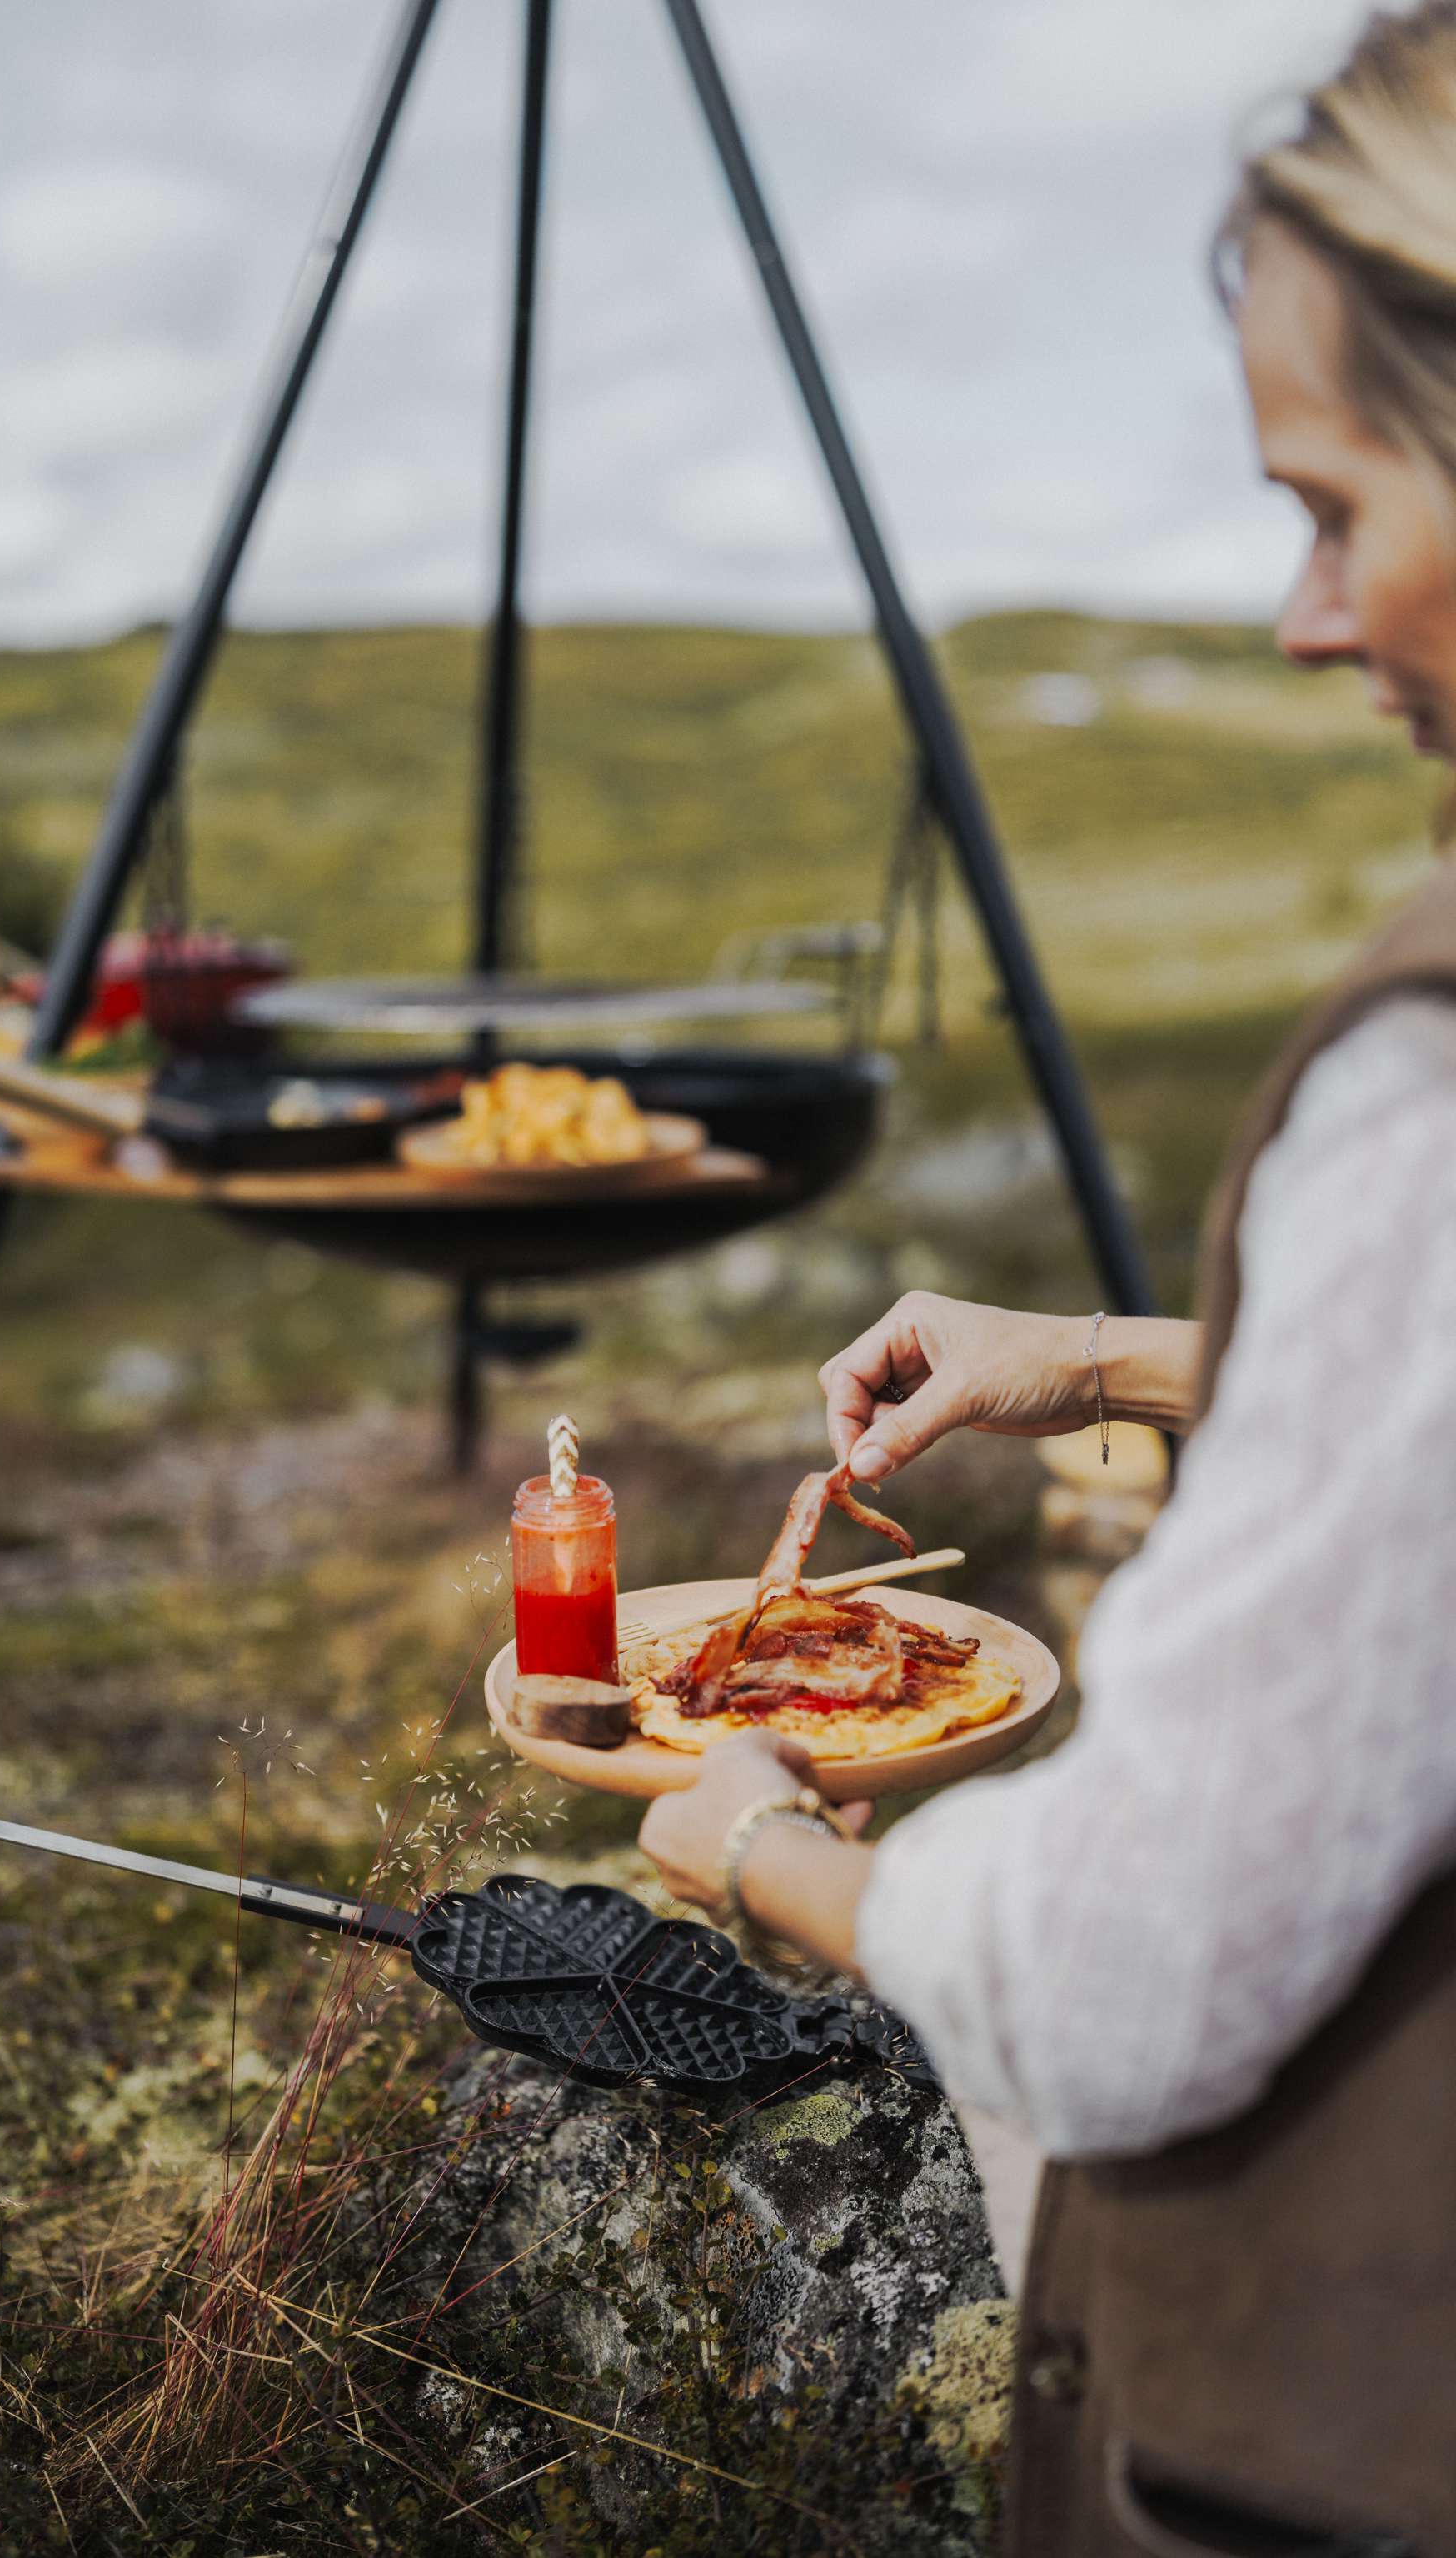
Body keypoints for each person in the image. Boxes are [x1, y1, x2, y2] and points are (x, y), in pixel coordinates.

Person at [638, 11, 1456, 2552]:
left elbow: (1129, 1972)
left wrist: (762, 1834)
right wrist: (1088, 1353)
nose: (1310, 620)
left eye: (1338, 504)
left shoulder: (1428, 1096)